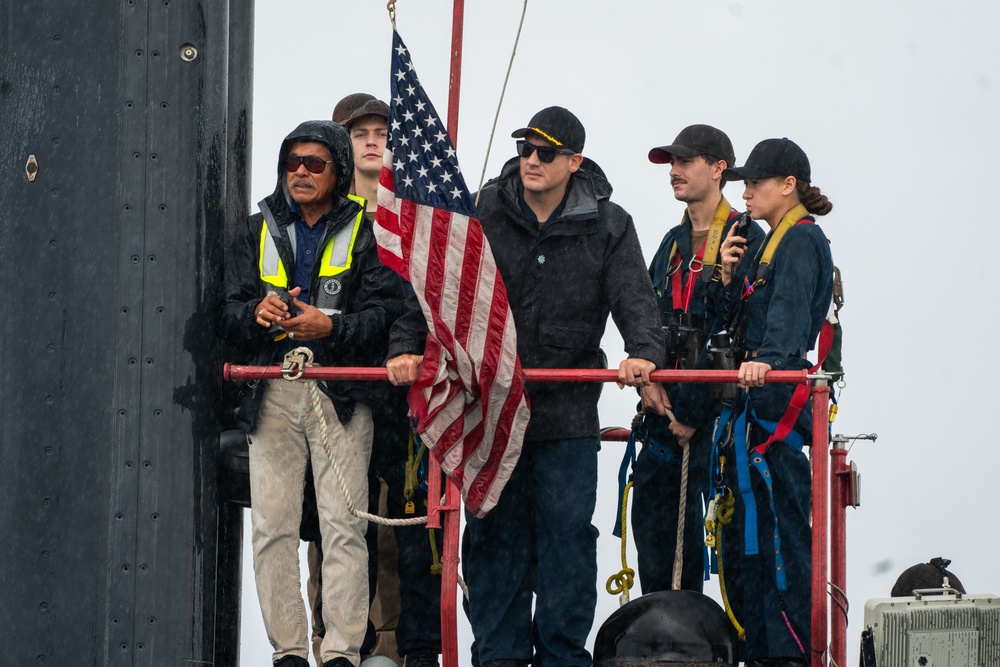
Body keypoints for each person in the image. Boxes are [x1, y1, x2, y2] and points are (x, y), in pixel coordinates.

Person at [386, 106, 665, 667]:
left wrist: (644, 354)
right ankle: (500, 657)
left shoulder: (611, 225)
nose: (531, 160)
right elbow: (436, 283)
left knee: (567, 540)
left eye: (545, 152)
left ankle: (563, 657)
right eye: (524, 148)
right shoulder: (482, 210)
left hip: (566, 417)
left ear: (575, 161)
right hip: (489, 411)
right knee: (492, 540)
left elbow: (636, 300)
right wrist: (404, 347)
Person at [220, 119, 403, 667]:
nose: (300, 171)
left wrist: (331, 330)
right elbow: (225, 314)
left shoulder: (369, 234)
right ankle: (291, 654)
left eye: (314, 164)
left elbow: (385, 314)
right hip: (271, 392)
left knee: (344, 526)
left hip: (341, 395)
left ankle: (343, 652)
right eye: (291, 163)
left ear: (337, 172)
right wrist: (256, 314)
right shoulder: (253, 233)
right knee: (272, 527)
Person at [716, 137, 835, 667]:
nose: (744, 193)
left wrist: (769, 361)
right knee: (753, 541)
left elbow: (785, 328)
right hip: (755, 411)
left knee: (781, 539)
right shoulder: (766, 243)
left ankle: (785, 654)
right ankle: (761, 650)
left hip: (774, 412)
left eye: (755, 183)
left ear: (788, 185)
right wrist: (725, 273)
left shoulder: (802, 241)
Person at [631, 124, 764, 594]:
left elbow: (741, 332)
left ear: (718, 168)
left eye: (685, 161)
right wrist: (646, 377)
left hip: (720, 423)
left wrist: (689, 410)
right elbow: (643, 317)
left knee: (733, 551)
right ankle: (664, 646)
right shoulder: (670, 242)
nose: (674, 171)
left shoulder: (746, 238)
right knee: (655, 536)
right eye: (672, 163)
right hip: (663, 419)